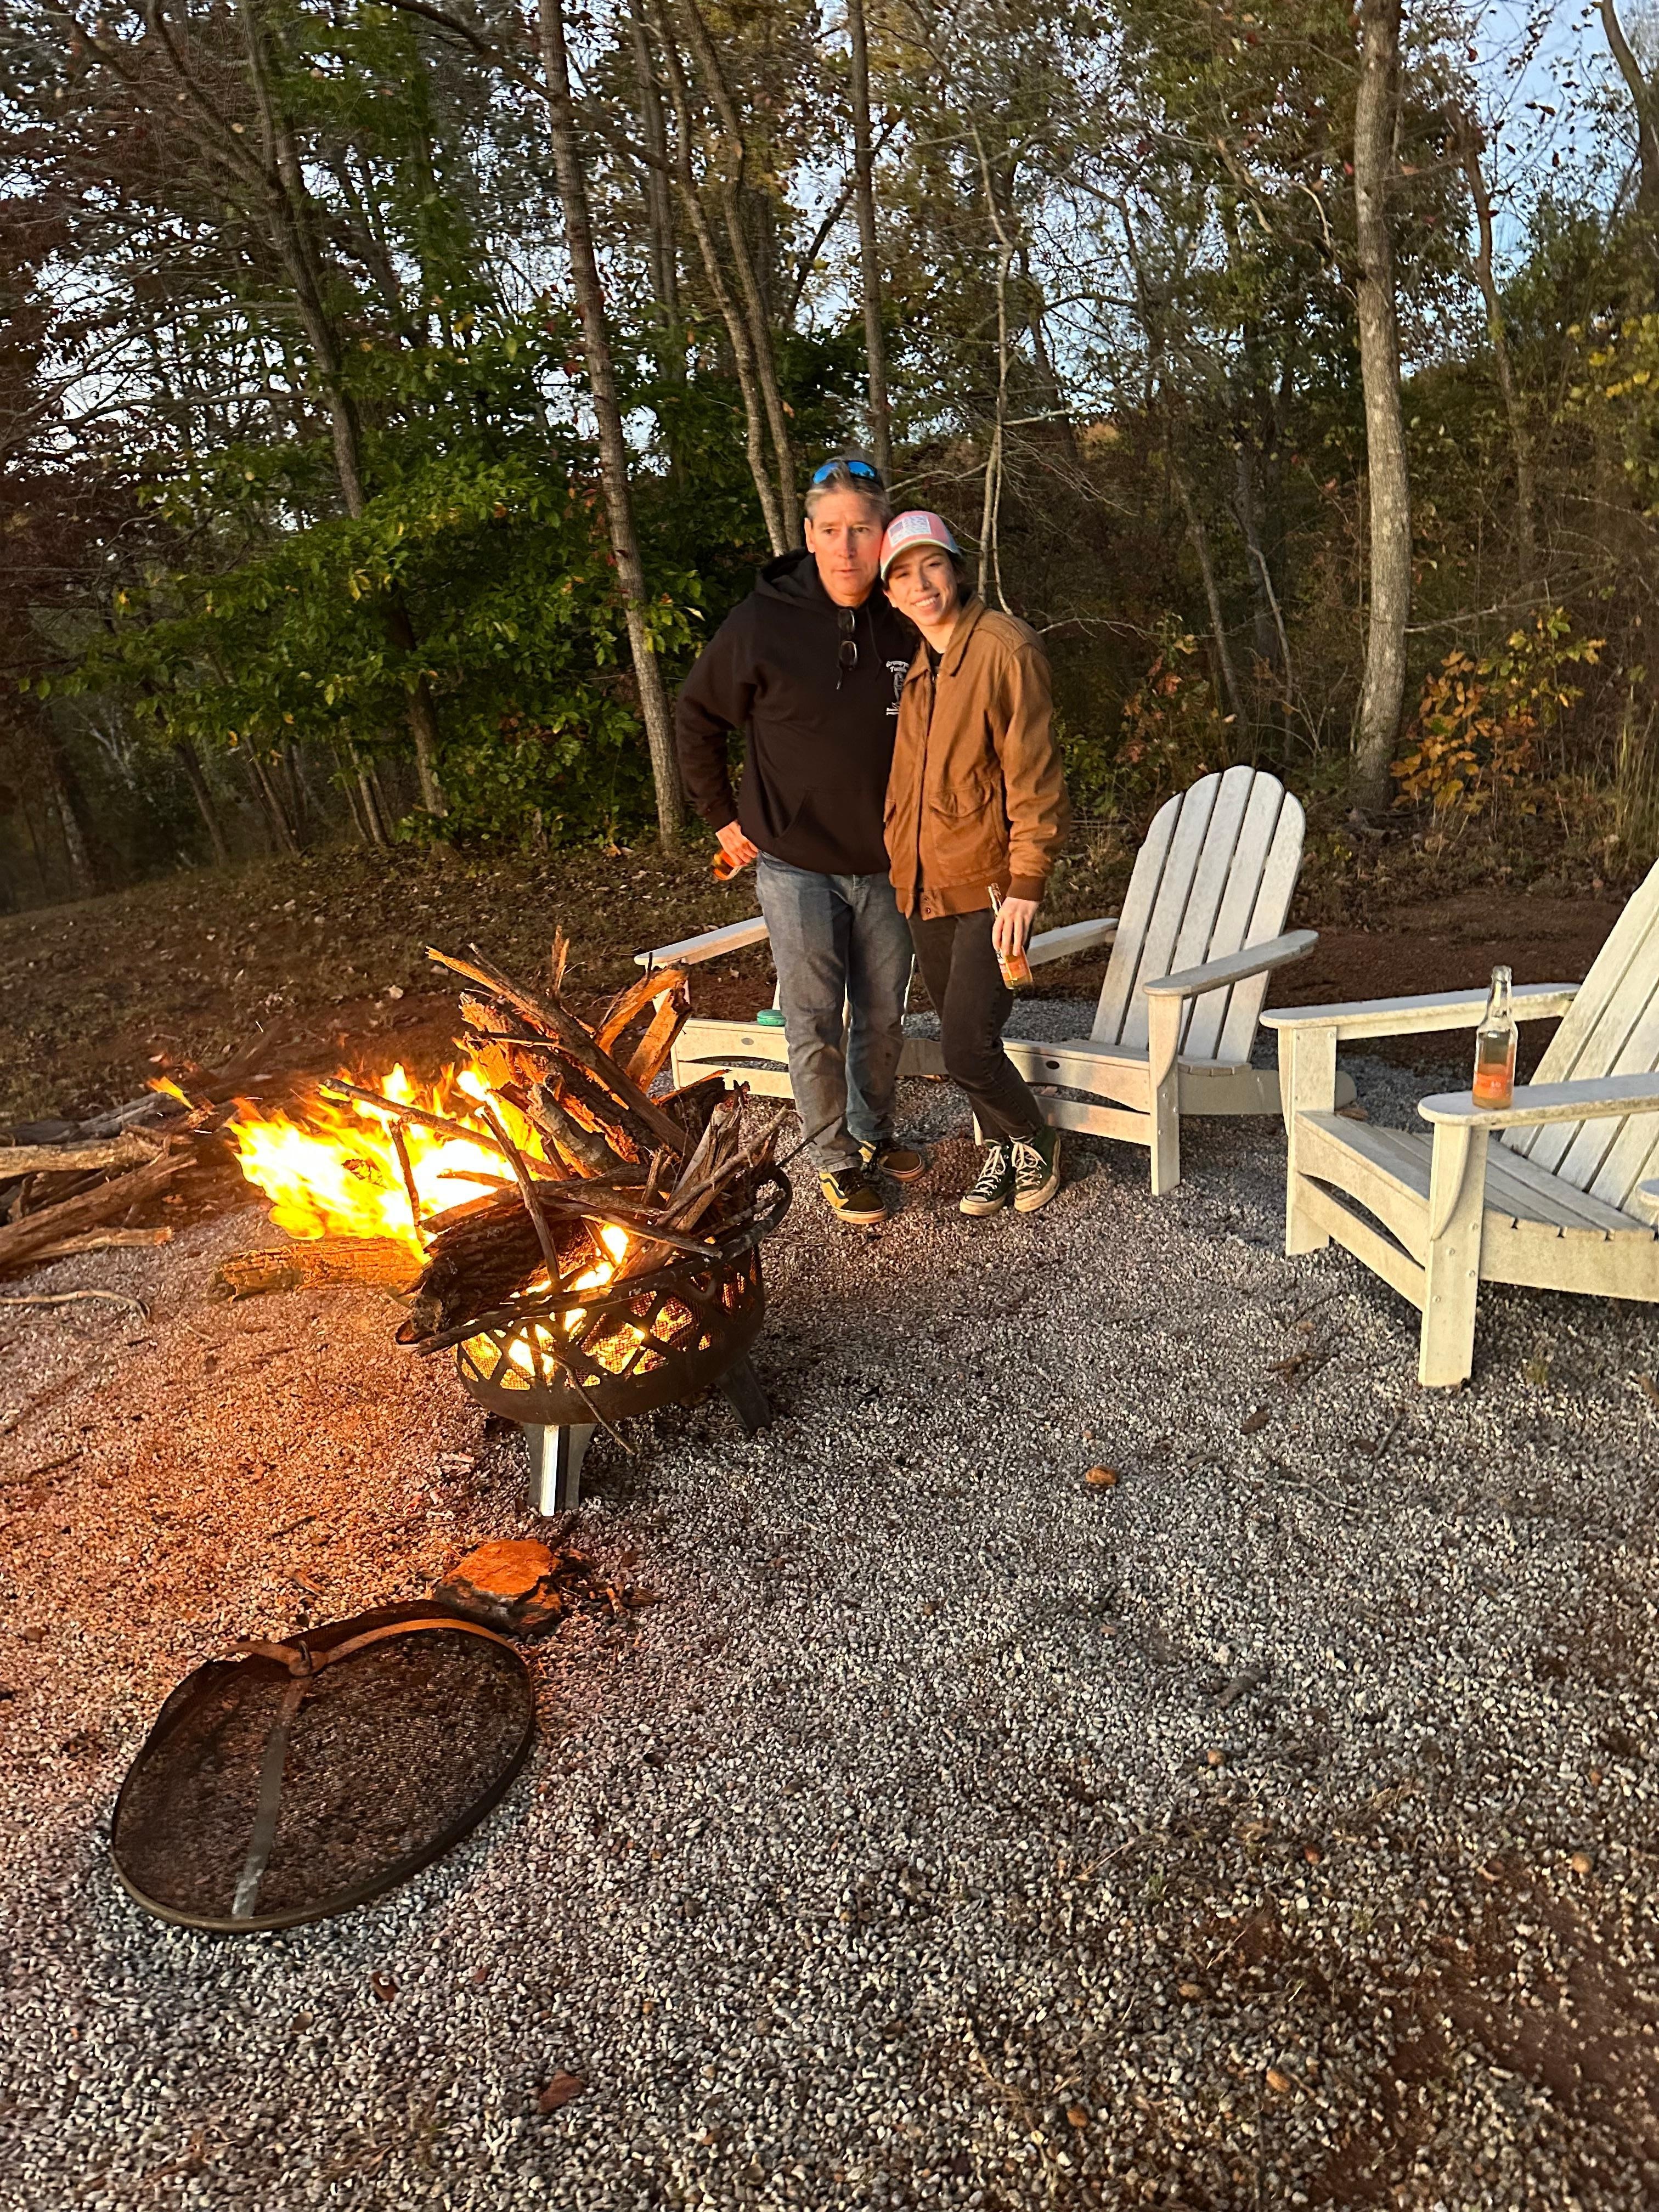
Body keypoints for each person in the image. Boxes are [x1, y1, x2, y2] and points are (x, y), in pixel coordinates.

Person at [674, 456, 926, 1226]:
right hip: (795, 863)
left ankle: (874, 1130)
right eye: (831, 530)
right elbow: (697, 717)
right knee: (814, 1020)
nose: (847, 547)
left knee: (882, 1015)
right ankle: (834, 1159)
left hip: (890, 861)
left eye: (862, 530)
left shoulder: (908, 615)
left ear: (884, 536)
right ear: (809, 536)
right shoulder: (763, 622)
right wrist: (723, 817)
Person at [879, 509, 1069, 1217]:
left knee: (965, 1048)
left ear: (956, 570)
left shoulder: (1003, 649)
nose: (921, 583)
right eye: (904, 574)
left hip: (990, 889)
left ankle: (1035, 1139)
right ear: (890, 593)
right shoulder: (919, 671)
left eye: (932, 565)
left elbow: (1034, 777)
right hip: (924, 887)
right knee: (970, 1039)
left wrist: (1027, 885)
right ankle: (1000, 1147)